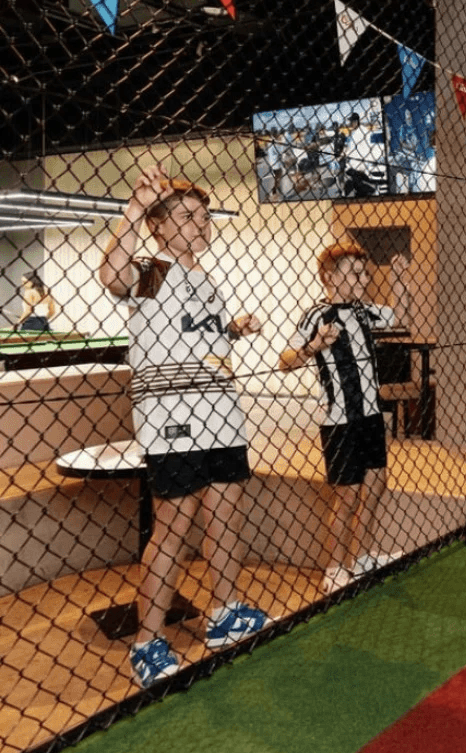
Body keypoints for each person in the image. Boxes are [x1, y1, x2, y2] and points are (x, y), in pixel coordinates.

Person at [99, 165, 269, 689]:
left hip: (221, 415)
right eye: (188, 217)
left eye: (203, 216)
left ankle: (223, 612)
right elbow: (110, 276)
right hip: (173, 419)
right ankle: (148, 641)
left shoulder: (205, 280)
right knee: (174, 524)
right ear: (160, 227)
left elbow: (195, 338)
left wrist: (232, 330)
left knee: (226, 513)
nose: (201, 223)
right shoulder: (154, 269)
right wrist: (135, 207)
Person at [279, 244, 410, 591]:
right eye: (355, 273)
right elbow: (285, 360)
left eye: (365, 273)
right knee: (347, 496)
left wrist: (399, 281)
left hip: (369, 415)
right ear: (330, 276)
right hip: (339, 420)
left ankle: (363, 557)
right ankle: (335, 568)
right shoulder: (317, 315)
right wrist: (314, 346)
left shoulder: (364, 311)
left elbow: (400, 316)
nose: (364, 279)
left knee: (376, 484)